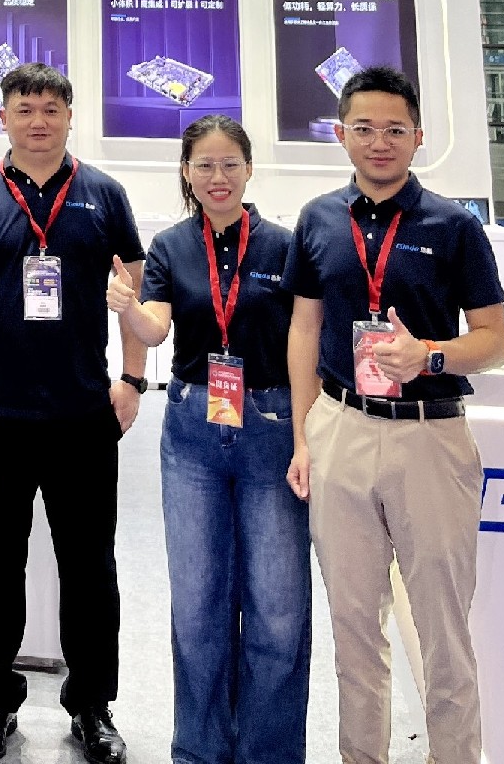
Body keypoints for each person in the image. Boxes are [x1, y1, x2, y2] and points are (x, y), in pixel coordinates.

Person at [285, 66, 504, 764]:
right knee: (353, 626)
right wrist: (304, 436)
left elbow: (494, 341)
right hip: (341, 428)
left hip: (428, 435)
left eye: (393, 130)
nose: (378, 142)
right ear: (341, 135)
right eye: (363, 128)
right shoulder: (319, 218)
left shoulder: (453, 225)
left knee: (443, 631)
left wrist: (430, 355)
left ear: (418, 137)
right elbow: (303, 329)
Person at [0, 63, 147, 764]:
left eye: (51, 108)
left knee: (89, 567)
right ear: (4, 118)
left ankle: (92, 705)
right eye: (25, 108)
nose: (38, 121)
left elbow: (134, 290)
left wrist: (133, 379)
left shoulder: (103, 194)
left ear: (69, 116)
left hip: (82, 415)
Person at [110, 115, 309, 764]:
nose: (217, 177)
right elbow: (156, 329)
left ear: (249, 169)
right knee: (198, 605)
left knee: (277, 608)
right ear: (186, 173)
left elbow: (306, 341)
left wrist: (305, 433)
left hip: (271, 426)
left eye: (229, 164)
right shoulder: (170, 247)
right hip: (193, 432)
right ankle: (199, 751)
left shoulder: (284, 247)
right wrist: (128, 308)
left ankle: (268, 753)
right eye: (204, 166)